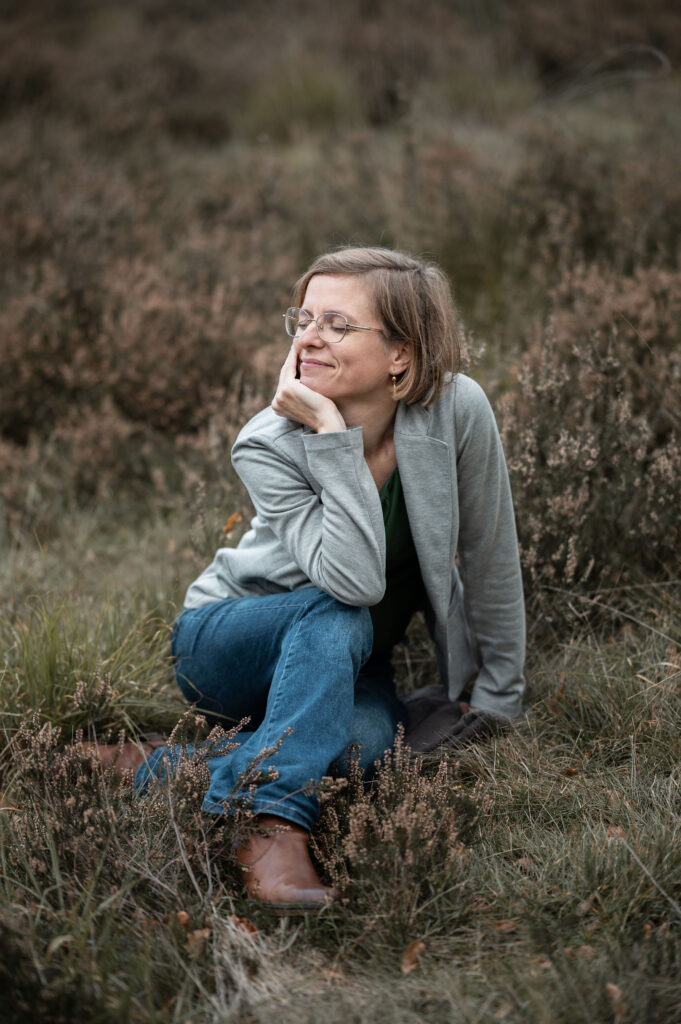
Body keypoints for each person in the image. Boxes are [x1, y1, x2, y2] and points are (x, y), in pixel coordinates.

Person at [89, 246, 526, 911]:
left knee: (365, 749)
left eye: (336, 324)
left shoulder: (456, 409)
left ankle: (153, 766)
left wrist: (498, 695)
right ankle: (270, 825)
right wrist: (327, 433)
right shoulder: (269, 441)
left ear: (401, 353)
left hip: (349, 662)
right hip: (227, 642)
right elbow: (353, 585)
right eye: (303, 319)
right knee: (338, 611)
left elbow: (490, 552)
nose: (308, 337)